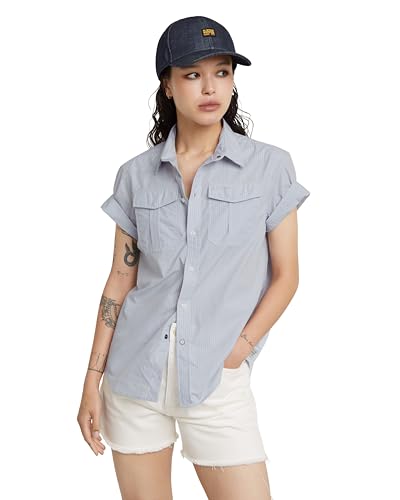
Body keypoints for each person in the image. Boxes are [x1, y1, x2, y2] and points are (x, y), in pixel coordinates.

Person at [77, 15, 310, 500]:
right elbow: (120, 280)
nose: (210, 87)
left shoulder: (270, 167)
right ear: (167, 84)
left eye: (222, 72)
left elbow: (286, 276)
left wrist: (238, 351)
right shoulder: (136, 176)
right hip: (134, 378)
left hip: (216, 379)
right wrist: (91, 380)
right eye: (192, 74)